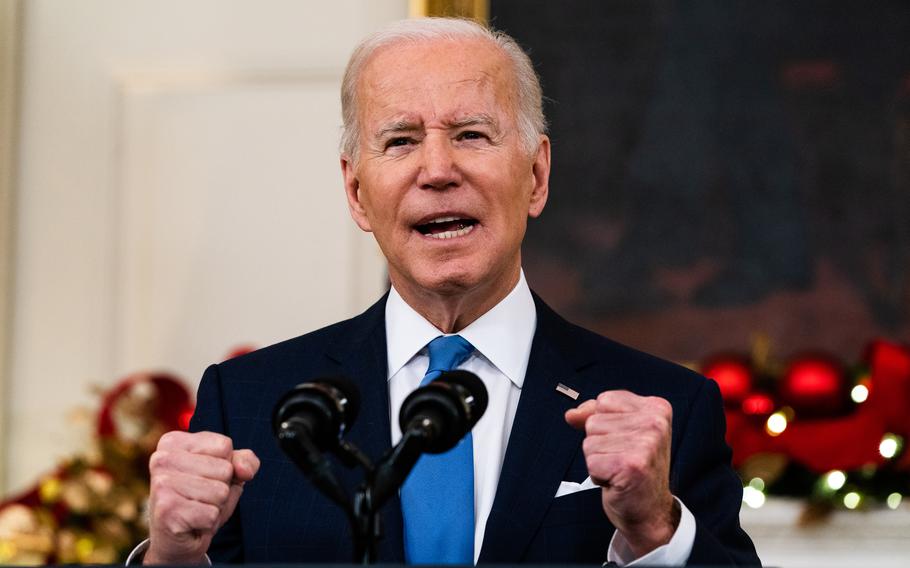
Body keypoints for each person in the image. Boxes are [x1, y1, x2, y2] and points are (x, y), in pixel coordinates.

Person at [132, 18, 760, 566]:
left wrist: (655, 528)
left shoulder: (669, 408)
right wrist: (172, 557)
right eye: (401, 140)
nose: (436, 171)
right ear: (356, 192)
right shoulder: (249, 405)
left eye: (471, 134)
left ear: (536, 176)